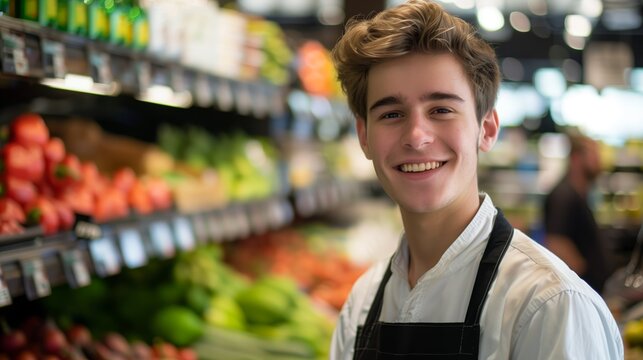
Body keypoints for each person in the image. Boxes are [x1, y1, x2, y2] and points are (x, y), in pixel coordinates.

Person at [329, 1, 623, 359]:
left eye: (441, 110)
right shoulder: (361, 305)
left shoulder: (550, 306)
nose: (417, 135)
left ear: (486, 129)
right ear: (364, 137)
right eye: (391, 113)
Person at [544, 133, 609, 293]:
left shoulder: (578, 194)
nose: (598, 160)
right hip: (582, 293)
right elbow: (556, 243)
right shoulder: (563, 195)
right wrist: (584, 281)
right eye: (593, 154)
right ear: (575, 158)